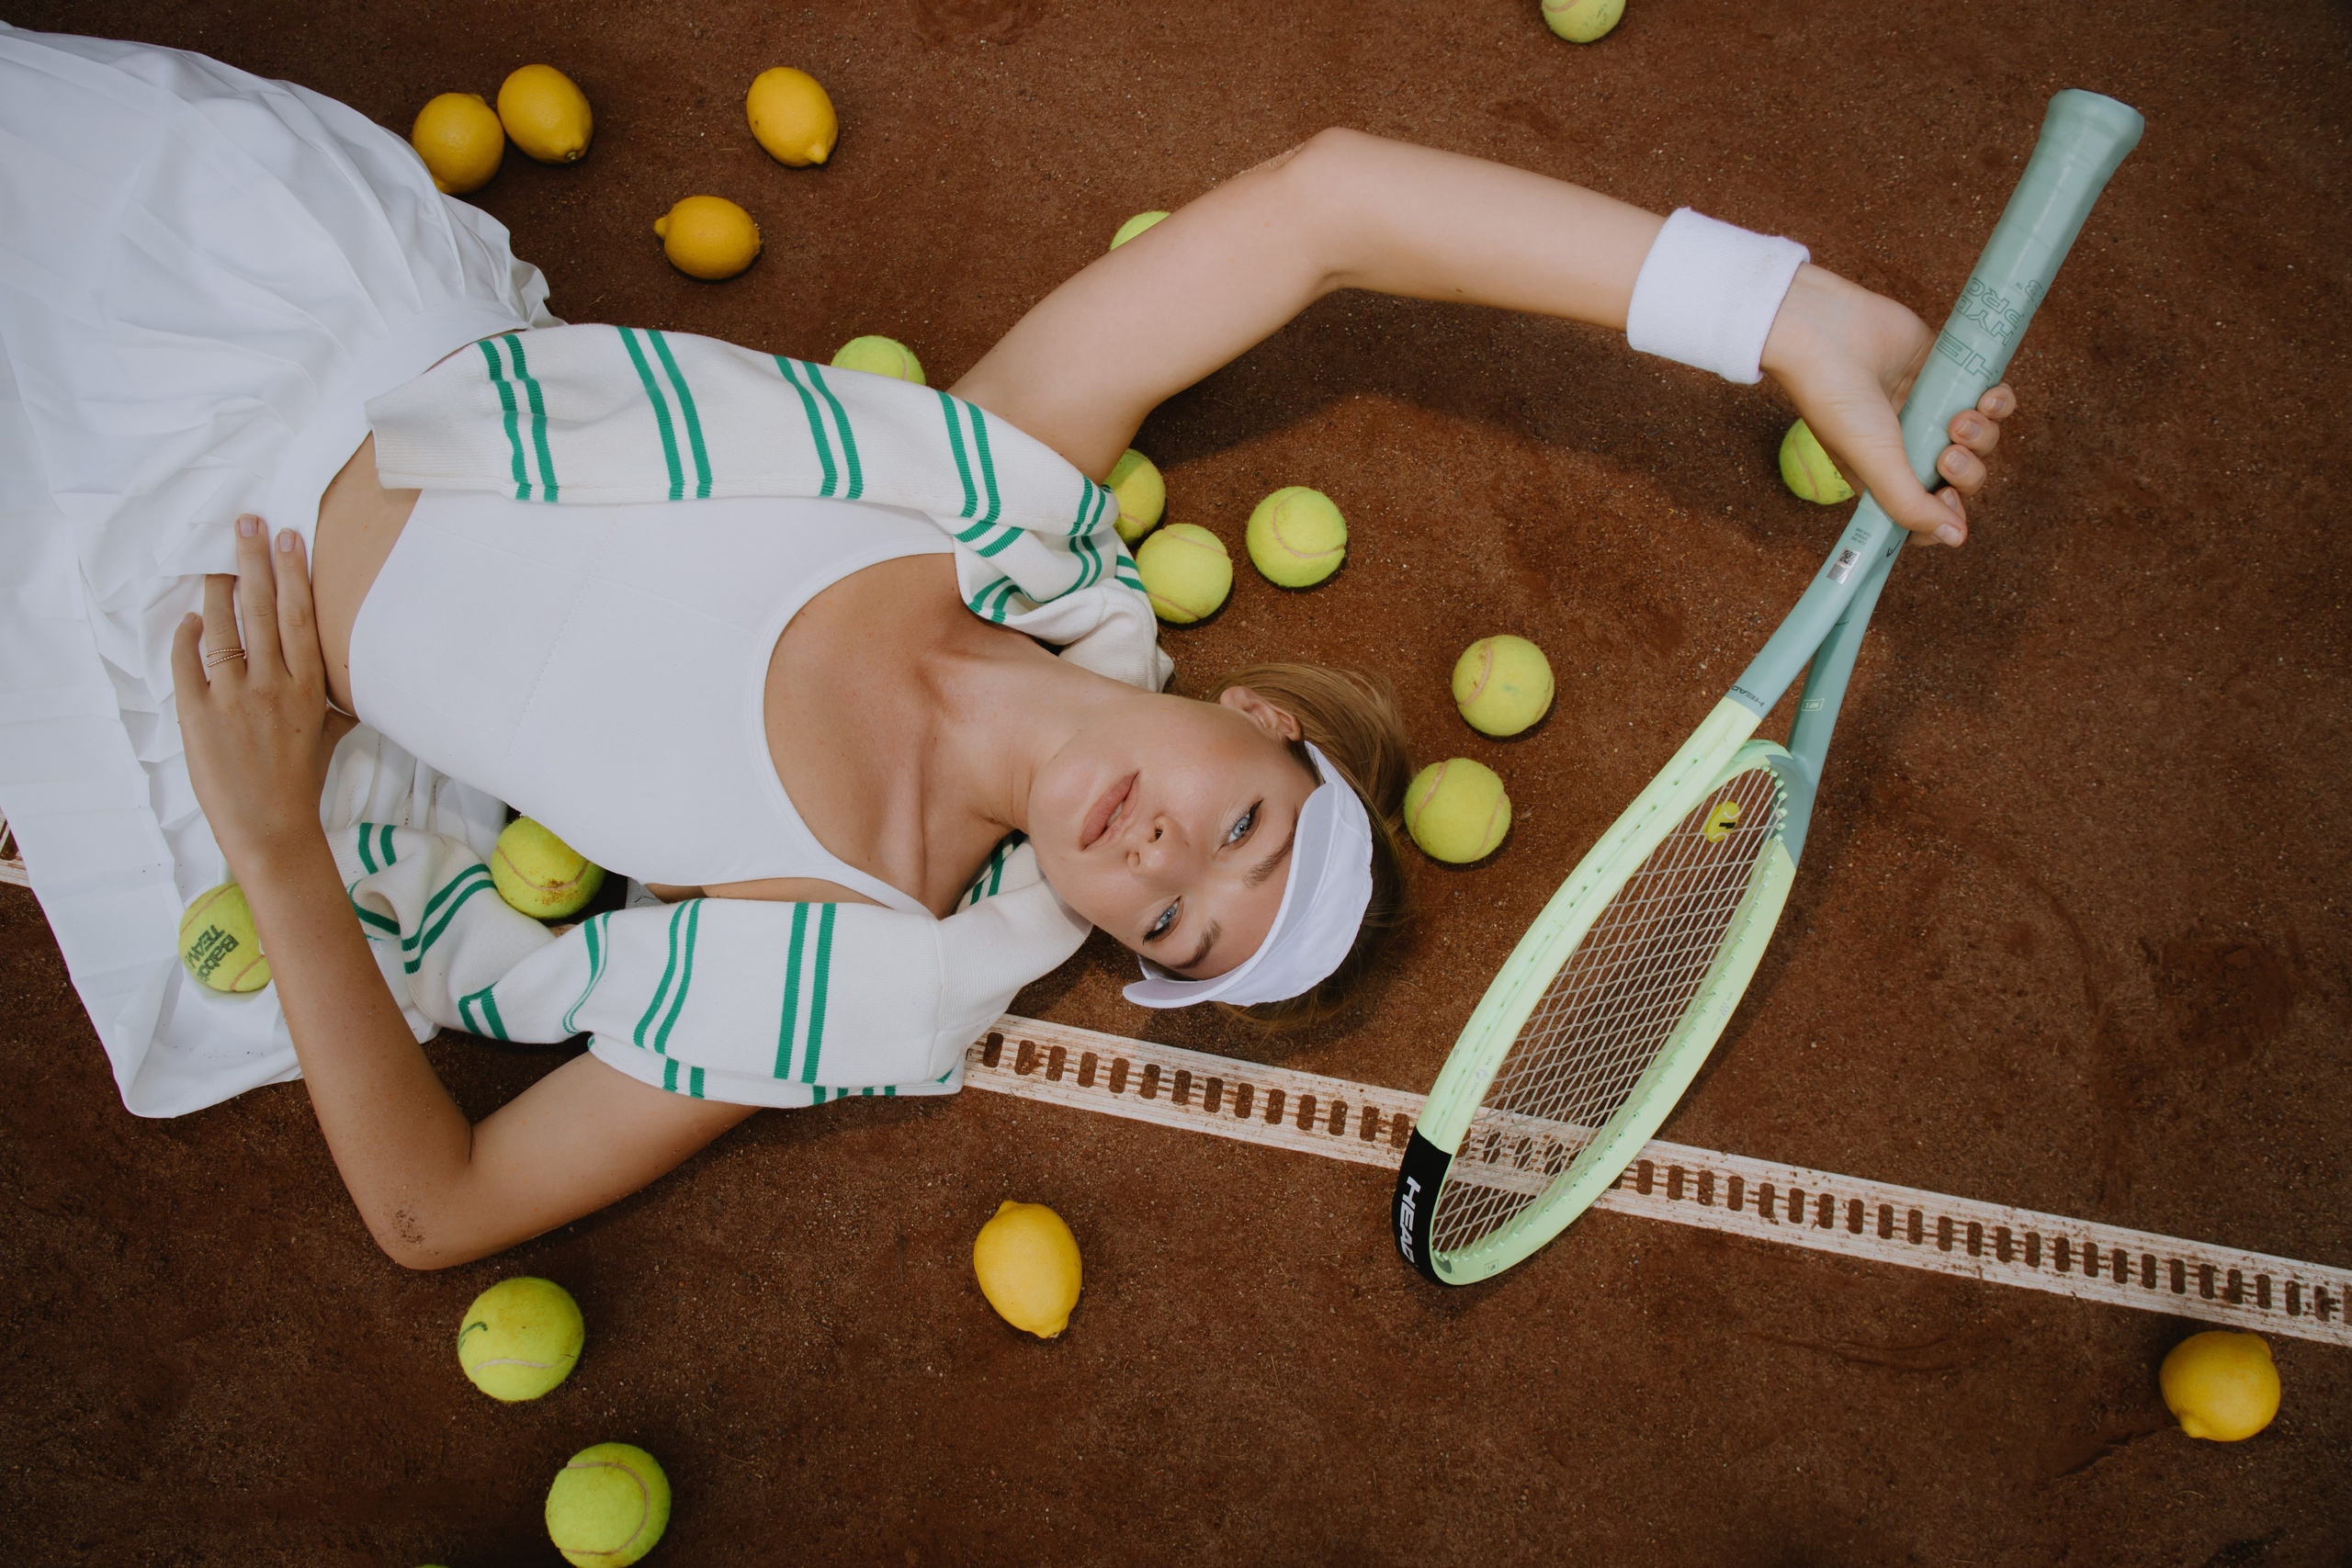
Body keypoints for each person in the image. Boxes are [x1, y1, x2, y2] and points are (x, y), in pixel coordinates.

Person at [3, 26, 2012, 1269]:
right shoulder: (985, 486)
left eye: (1177, 928)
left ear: (1102, 939)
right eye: (1247, 827)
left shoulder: (818, 936)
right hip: (272, 282)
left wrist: (275, 838)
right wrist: (1776, 311)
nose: (1170, 858)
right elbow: (1320, 207)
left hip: (119, 568)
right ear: (1243, 711)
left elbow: (439, 1209)